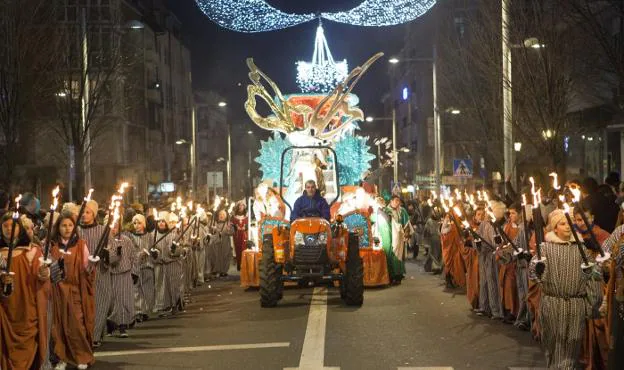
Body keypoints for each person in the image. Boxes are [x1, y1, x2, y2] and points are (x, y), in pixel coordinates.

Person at [530, 209, 602, 368]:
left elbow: (594, 277)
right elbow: (534, 274)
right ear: (555, 228)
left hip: (575, 305)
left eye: (569, 223)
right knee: (553, 343)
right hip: (553, 304)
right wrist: (537, 268)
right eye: (563, 224)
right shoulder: (546, 249)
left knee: (572, 344)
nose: (568, 227)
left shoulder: (581, 249)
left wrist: (593, 304)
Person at [0, 212, 51, 370]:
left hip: (27, 307)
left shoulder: (32, 250)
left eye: (13, 226)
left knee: (29, 344)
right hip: (5, 311)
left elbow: (41, 275)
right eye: (5, 226)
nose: (9, 229)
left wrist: (44, 273)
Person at [49, 212, 96, 370]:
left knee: (77, 325)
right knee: (59, 326)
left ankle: (81, 356)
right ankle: (62, 358)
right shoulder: (52, 245)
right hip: (57, 292)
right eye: (64, 225)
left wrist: (91, 265)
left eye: (70, 225)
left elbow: (86, 268)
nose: (67, 228)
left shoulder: (81, 244)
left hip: (75, 291)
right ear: (58, 227)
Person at [107, 219, 137, 337]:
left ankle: (123, 325)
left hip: (124, 274)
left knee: (123, 300)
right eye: (112, 226)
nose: (114, 229)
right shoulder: (106, 241)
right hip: (110, 274)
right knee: (113, 301)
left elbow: (133, 257)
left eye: (116, 226)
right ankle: (111, 324)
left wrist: (134, 272)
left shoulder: (126, 240)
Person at [127, 214, 156, 323]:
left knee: (148, 289)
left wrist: (153, 253)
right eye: (134, 223)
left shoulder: (149, 236)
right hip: (136, 267)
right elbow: (131, 251)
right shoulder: (130, 237)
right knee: (136, 289)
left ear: (143, 224)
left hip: (147, 266)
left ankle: (145, 310)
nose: (137, 226)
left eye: (139, 223)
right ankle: (138, 311)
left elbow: (154, 248)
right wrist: (139, 254)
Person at [462, 206, 484, 310]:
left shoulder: (487, 226)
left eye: (482, 214)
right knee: (475, 280)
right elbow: (465, 245)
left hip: (485, 258)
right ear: (474, 216)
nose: (481, 216)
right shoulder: (470, 227)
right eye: (478, 214)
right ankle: (476, 302)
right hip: (474, 258)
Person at [384, 195, 409, 284]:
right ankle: (391, 276)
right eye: (396, 201)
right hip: (389, 237)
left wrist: (406, 233)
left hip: (400, 237)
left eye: (399, 201)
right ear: (391, 201)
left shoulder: (402, 211)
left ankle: (399, 274)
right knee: (391, 255)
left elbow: (406, 223)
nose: (397, 203)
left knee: (400, 256)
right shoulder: (386, 211)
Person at [208, 209, 234, 277]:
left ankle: (224, 271)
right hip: (216, 242)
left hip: (225, 242)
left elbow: (232, 232)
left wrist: (229, 230)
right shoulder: (214, 223)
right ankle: (216, 270)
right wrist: (212, 229)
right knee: (216, 256)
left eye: (223, 215)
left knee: (225, 256)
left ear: (225, 216)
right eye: (220, 215)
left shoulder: (228, 224)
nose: (221, 216)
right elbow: (210, 232)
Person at [231, 201, 248, 271]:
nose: (241, 207)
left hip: (244, 235)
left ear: (244, 207)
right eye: (240, 206)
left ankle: (244, 265)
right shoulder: (234, 217)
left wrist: (246, 227)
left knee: (244, 249)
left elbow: (249, 225)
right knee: (238, 250)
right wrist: (235, 227)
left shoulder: (247, 216)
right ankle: (239, 265)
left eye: (242, 205)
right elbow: (231, 225)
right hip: (237, 235)